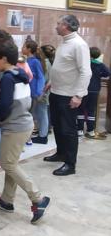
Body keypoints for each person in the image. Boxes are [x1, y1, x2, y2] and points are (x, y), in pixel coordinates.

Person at [0, 41, 51, 224]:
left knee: (8, 164)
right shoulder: (19, 73)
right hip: (23, 123)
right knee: (10, 163)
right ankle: (6, 200)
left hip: (15, 127)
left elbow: (5, 104)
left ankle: (38, 199)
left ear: (4, 59)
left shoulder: (7, 78)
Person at [43, 15, 91, 176]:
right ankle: (61, 153)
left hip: (68, 95)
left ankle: (70, 164)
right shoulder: (64, 41)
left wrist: (79, 95)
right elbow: (60, 66)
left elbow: (86, 72)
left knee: (68, 129)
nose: (56, 26)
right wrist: (51, 81)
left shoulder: (79, 45)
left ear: (66, 26)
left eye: (58, 23)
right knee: (57, 125)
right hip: (56, 91)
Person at [77, 47, 110, 138]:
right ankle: (90, 131)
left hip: (83, 88)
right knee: (91, 110)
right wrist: (99, 75)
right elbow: (108, 73)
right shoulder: (100, 64)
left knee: (80, 109)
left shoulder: (85, 63)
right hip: (94, 90)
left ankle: (79, 130)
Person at [22, 40, 48, 145]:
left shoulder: (35, 62)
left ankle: (42, 136)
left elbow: (40, 77)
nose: (22, 48)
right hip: (29, 92)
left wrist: (39, 92)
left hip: (35, 92)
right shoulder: (26, 60)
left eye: (24, 46)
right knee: (32, 114)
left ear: (28, 49)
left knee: (39, 114)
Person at [32, 46, 52, 144]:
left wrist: (41, 92)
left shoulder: (45, 64)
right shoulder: (47, 62)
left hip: (42, 92)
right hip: (43, 92)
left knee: (42, 114)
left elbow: (44, 79)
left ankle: (43, 136)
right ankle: (42, 133)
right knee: (42, 114)